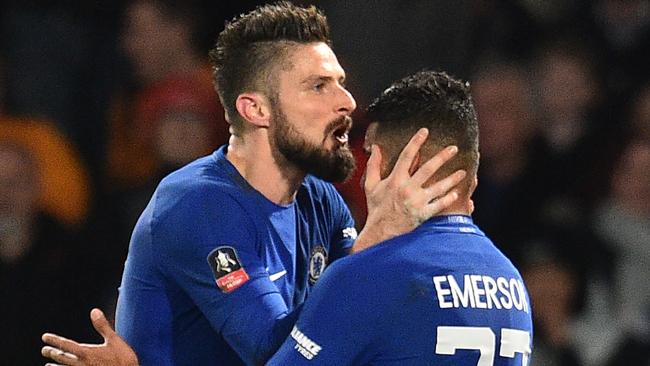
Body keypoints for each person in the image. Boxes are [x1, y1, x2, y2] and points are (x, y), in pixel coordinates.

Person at [41, 3, 465, 366]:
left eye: (340, 82)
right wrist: (380, 236)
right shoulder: (197, 205)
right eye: (319, 86)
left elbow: (360, 326)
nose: (347, 101)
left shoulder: (320, 201)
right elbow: (277, 354)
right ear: (255, 109)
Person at [265, 71, 533, 365]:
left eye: (369, 156)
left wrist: (363, 254)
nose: (364, 174)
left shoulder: (368, 276)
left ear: (412, 165)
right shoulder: (512, 282)